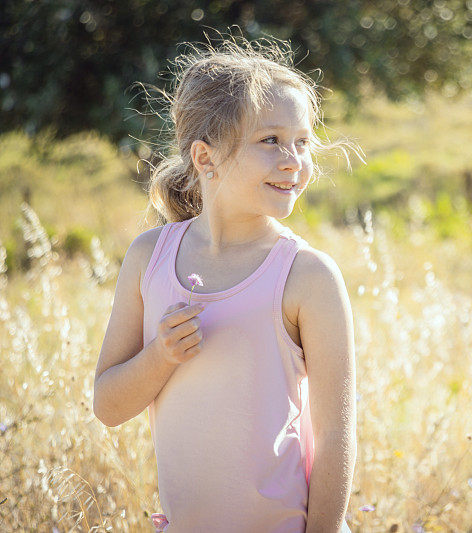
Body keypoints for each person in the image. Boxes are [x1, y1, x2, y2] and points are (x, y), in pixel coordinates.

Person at [92, 35, 360, 532]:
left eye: (302, 141)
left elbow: (337, 433)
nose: (293, 160)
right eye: (270, 140)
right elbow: (108, 406)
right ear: (205, 157)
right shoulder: (149, 258)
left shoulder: (307, 275)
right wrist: (160, 357)